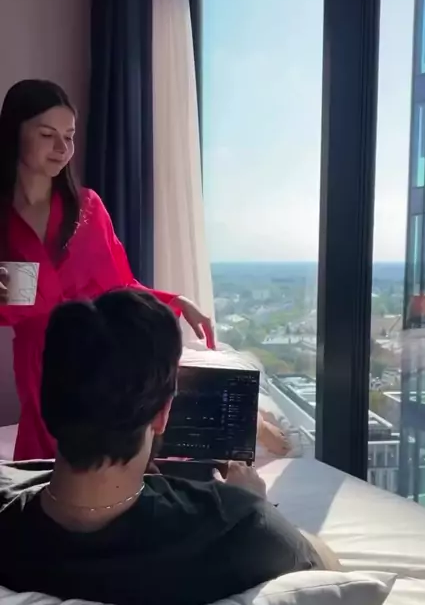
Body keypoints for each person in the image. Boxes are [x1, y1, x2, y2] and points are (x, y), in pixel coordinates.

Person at [0, 79, 288, 461]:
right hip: (40, 364)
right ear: (15, 131)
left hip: (98, 351)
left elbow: (120, 285)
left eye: (69, 136)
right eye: (47, 134)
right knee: (51, 465)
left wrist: (176, 301)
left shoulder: (87, 209)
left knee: (135, 422)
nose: (62, 148)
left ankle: (248, 423)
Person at [0, 289, 339, 605]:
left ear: (47, 404)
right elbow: (328, 573)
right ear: (163, 414)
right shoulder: (240, 528)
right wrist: (255, 504)